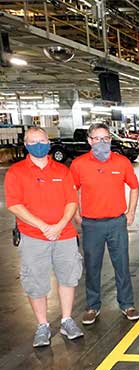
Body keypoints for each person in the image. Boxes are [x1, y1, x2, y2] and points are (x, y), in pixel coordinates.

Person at [4, 127, 84, 347]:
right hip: (33, 237)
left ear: (49, 142)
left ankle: (67, 320)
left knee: (68, 277)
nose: (38, 144)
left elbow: (71, 201)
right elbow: (14, 204)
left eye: (42, 140)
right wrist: (43, 226)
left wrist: (59, 225)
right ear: (26, 144)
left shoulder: (62, 170)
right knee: (36, 281)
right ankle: (42, 326)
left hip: (65, 234)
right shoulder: (16, 172)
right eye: (33, 141)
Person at [70, 123, 139, 324]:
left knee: (122, 265)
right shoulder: (79, 164)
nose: (102, 142)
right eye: (97, 138)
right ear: (89, 141)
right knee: (92, 266)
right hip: (91, 224)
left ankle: (127, 304)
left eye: (106, 138)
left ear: (111, 139)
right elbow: (71, 190)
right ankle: (93, 306)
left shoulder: (122, 162)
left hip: (117, 223)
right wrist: (77, 214)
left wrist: (131, 212)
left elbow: (134, 187)